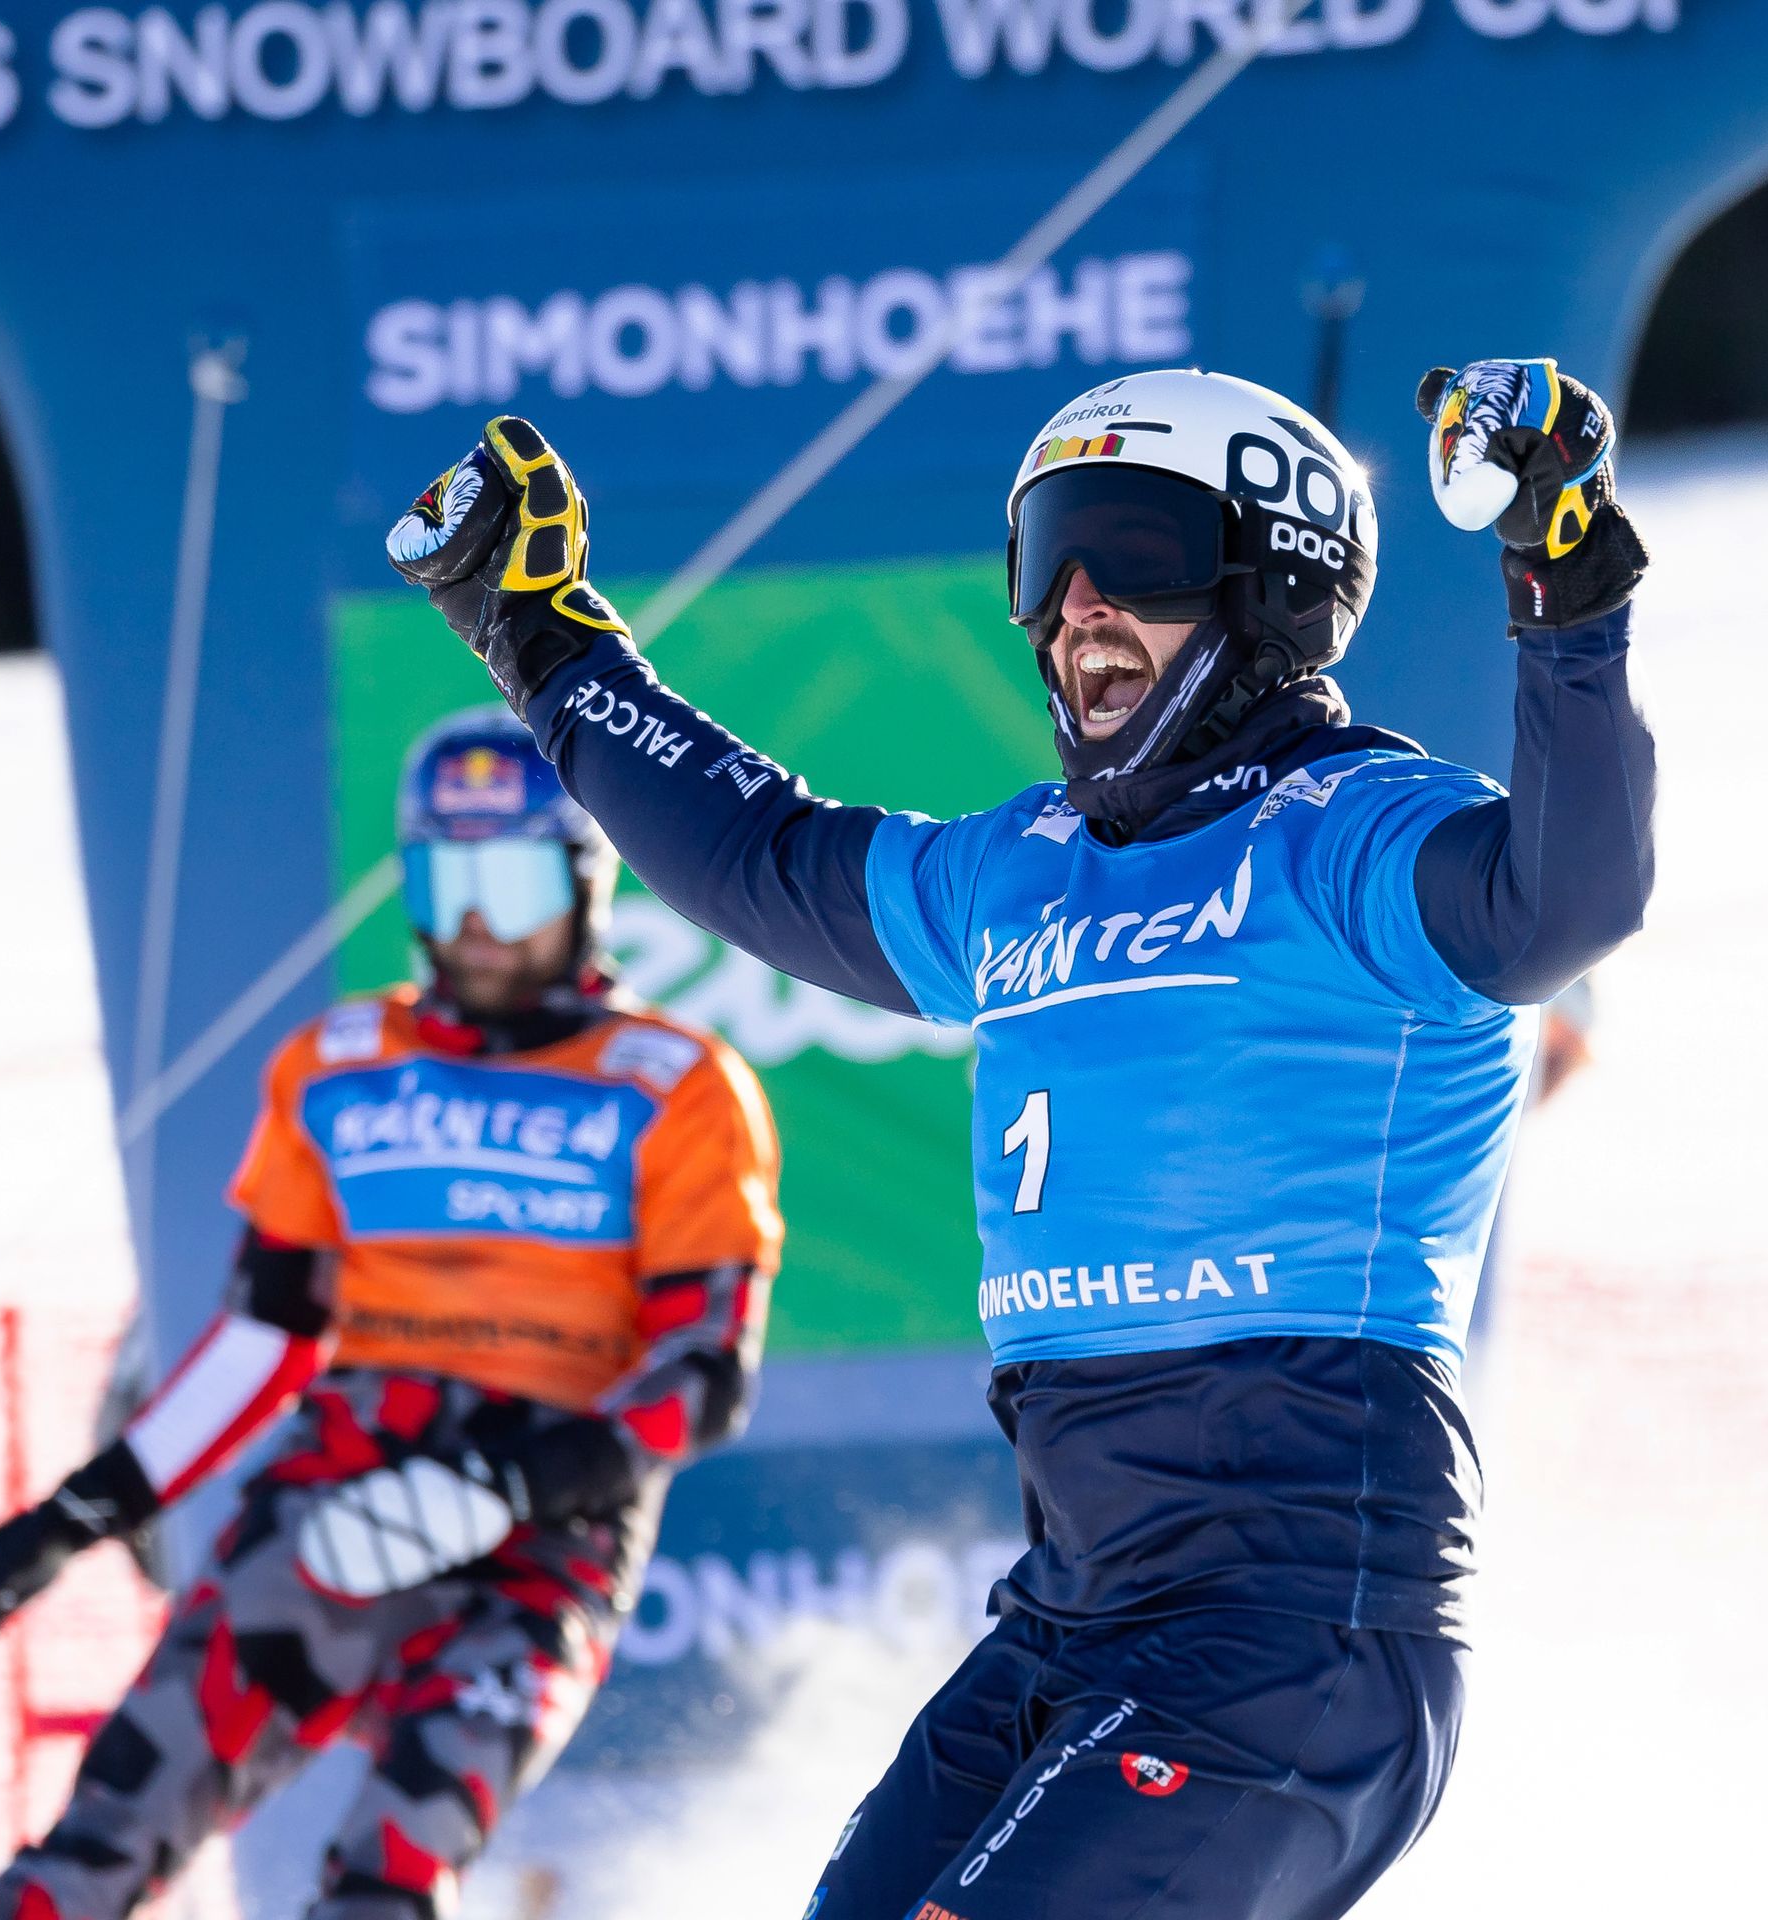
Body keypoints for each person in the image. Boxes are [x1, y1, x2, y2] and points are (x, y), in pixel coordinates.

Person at [384, 358, 1654, 1917]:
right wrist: (537, 629)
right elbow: (761, 857)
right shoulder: (1025, 871)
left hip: (1293, 1617)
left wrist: (1570, 585)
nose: (1076, 608)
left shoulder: (1358, 832)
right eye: (1047, 556)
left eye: (1135, 554)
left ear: (1275, 583)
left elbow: (1568, 900)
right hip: (1079, 1606)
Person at [0, 708, 785, 1920]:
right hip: (340, 1481)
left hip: (546, 1530)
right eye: (447, 881)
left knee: (385, 1882)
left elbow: (703, 1377)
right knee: (101, 1839)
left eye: (513, 881)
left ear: (585, 885)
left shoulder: (678, 1086)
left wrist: (505, 1487)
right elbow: (264, 1338)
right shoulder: (338, 1062)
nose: (478, 923)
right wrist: (75, 1516)